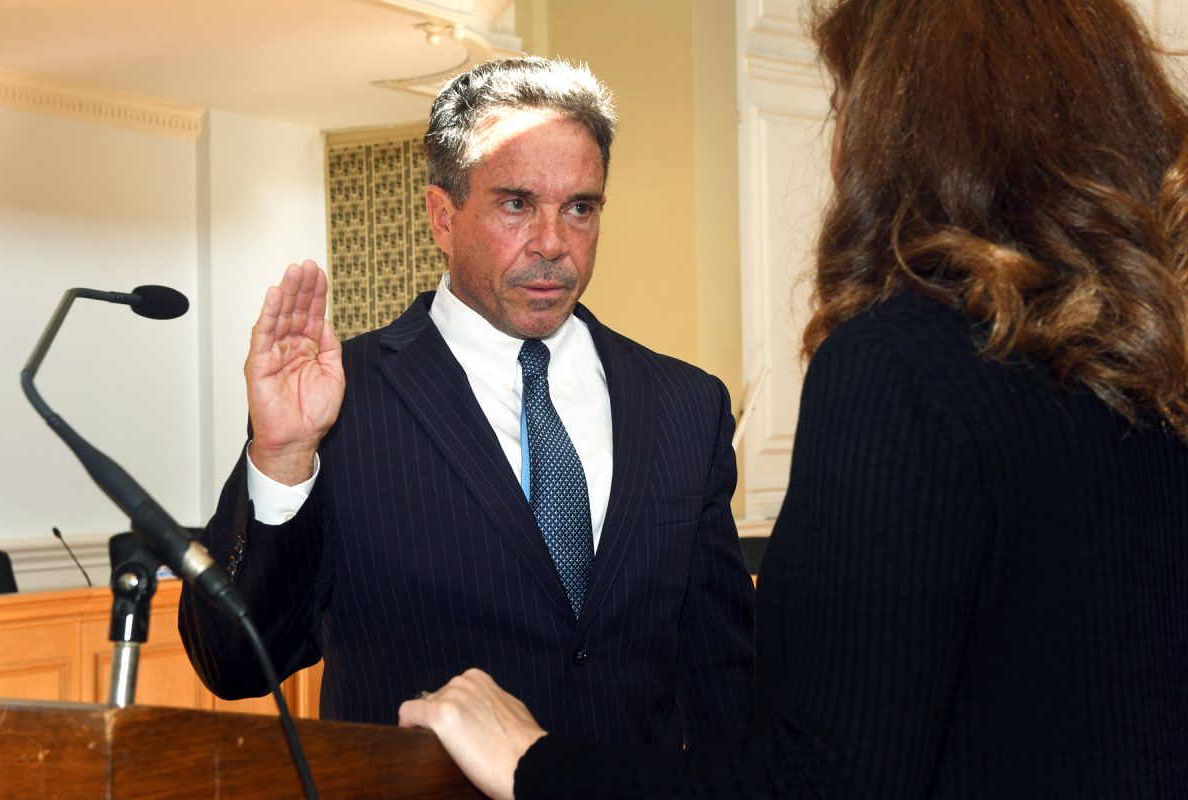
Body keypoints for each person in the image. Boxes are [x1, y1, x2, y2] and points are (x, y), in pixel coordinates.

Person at [397, 1, 1188, 797]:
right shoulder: (1154, 368)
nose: (837, 147)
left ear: (907, 135)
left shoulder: (898, 370)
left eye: (845, 105)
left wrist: (534, 764)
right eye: (513, 203)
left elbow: (819, 776)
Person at [178, 56, 755, 750]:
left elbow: (728, 683)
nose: (552, 243)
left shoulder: (686, 405)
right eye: (516, 203)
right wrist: (281, 457)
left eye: (580, 207)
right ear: (441, 216)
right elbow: (237, 664)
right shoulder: (340, 402)